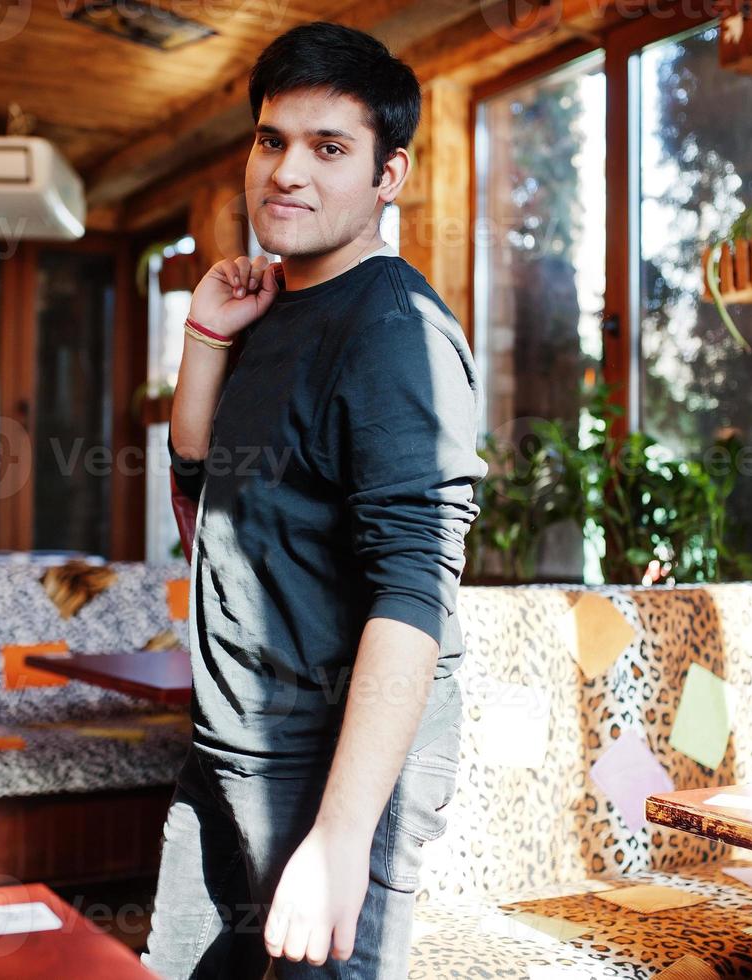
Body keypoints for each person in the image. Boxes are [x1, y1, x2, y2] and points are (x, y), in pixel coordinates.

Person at [143, 21, 487, 979]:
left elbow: (415, 592)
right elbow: (204, 517)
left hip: (334, 761)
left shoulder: (396, 333)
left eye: (327, 148)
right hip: (231, 739)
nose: (286, 171)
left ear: (389, 176)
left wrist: (340, 838)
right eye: (270, 140)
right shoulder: (274, 308)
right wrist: (206, 340)